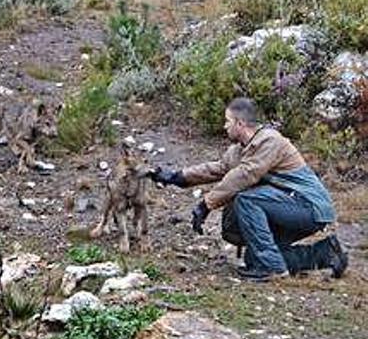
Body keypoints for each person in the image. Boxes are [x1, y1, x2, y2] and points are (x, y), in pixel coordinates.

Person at [149, 97, 348, 282]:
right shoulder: (241, 149)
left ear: (240, 124)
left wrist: (206, 204)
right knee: (256, 258)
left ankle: (274, 270)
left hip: (309, 207)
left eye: (227, 121)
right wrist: (176, 177)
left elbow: (246, 174)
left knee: (247, 199)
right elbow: (216, 169)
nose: (224, 126)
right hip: (289, 205)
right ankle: (327, 253)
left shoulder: (270, 140)